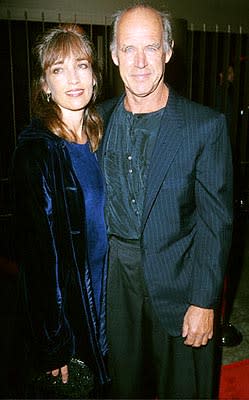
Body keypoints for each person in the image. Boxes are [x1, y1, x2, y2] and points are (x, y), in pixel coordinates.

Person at [97, 4, 233, 399]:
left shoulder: (204, 126)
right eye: (128, 49)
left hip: (179, 287)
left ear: (169, 51)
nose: (139, 62)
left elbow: (216, 222)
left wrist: (204, 302)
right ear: (113, 55)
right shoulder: (97, 122)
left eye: (151, 47)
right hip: (115, 288)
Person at [11, 24, 109, 398]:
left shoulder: (101, 137)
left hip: (106, 295)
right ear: (44, 85)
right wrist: (52, 342)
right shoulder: (37, 151)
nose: (73, 79)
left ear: (95, 76)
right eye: (58, 69)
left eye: (81, 65)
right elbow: (37, 259)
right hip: (70, 312)